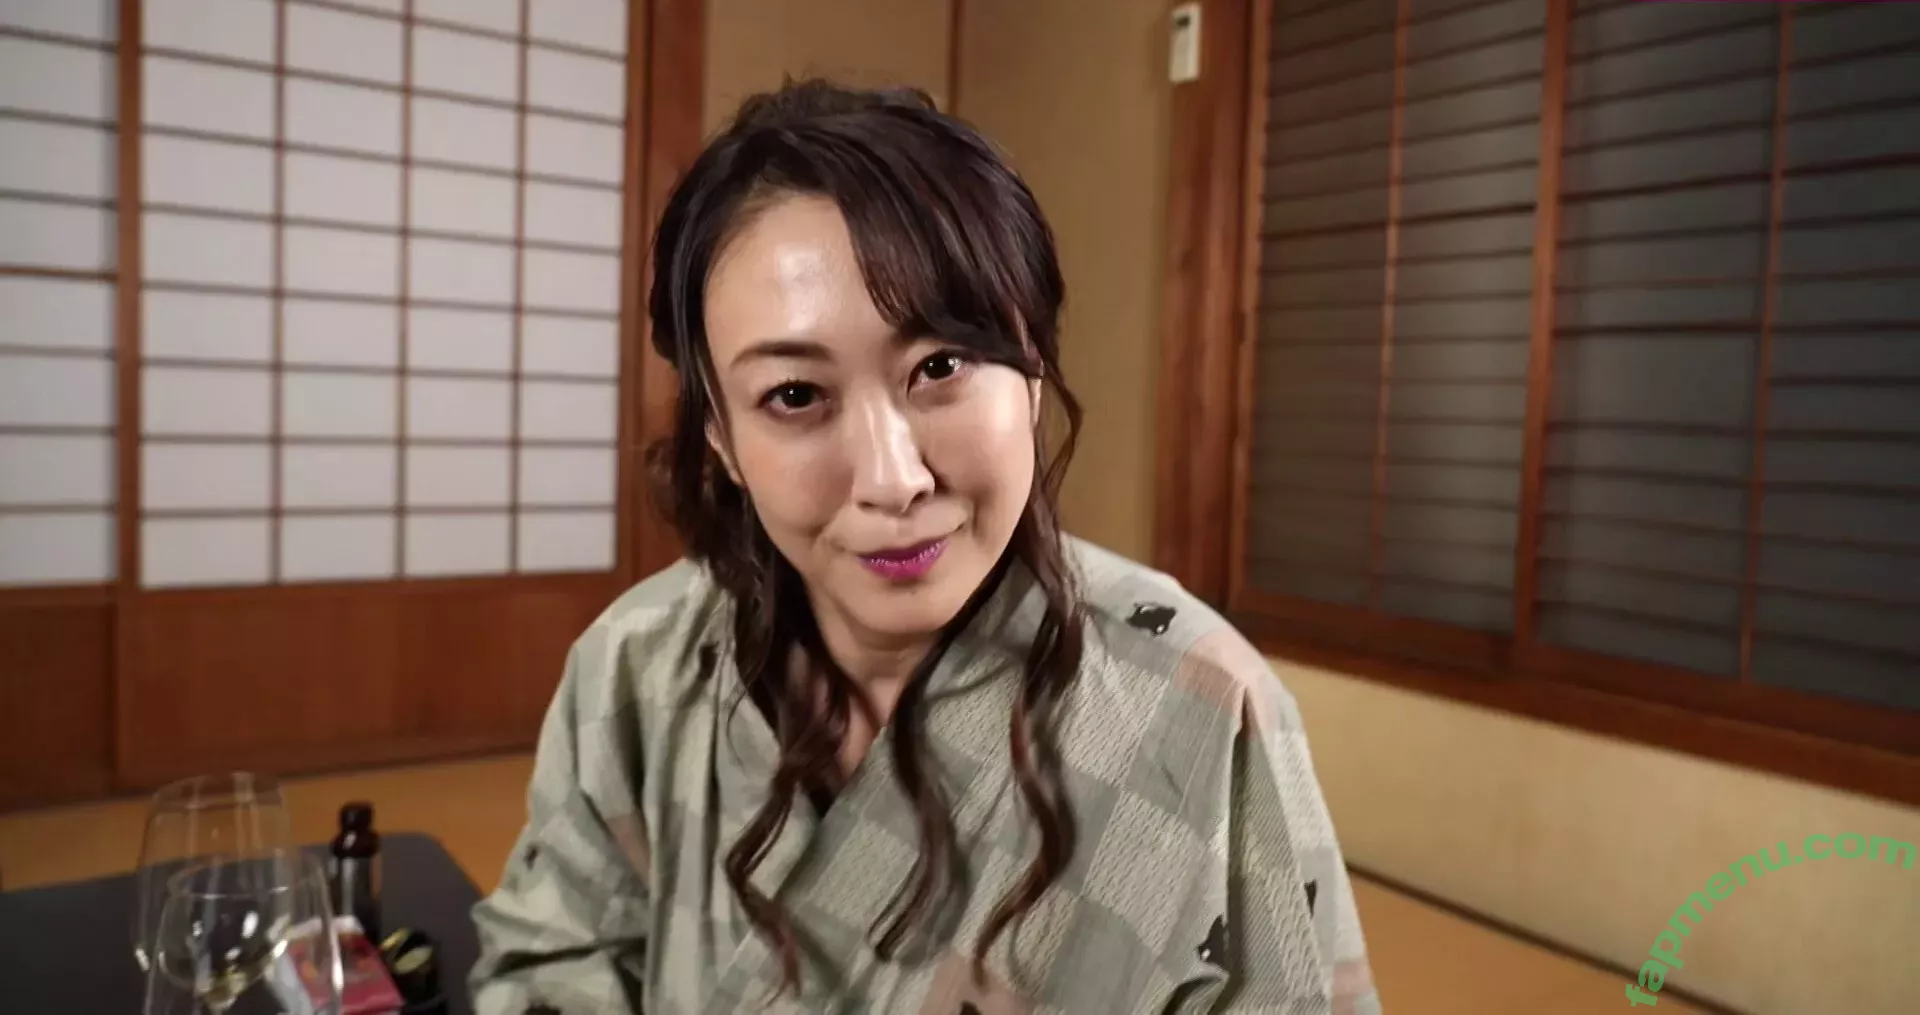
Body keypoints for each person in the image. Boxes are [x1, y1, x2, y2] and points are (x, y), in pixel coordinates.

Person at [469, 80, 1378, 1015]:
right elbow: (553, 962)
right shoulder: (638, 664)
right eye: (795, 395)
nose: (892, 478)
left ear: (1031, 373)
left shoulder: (1199, 707)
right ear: (723, 441)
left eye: (940, 366)